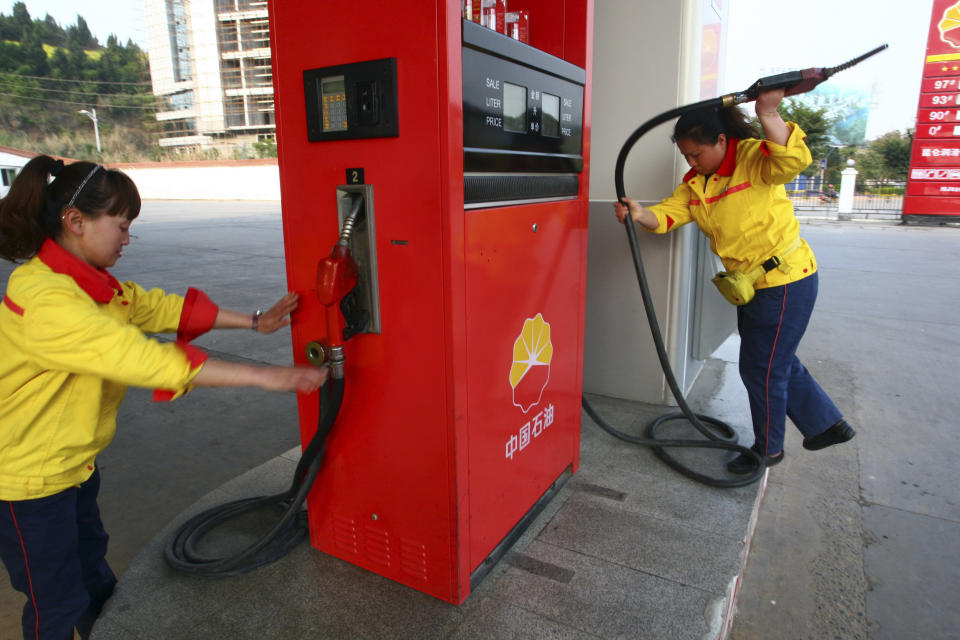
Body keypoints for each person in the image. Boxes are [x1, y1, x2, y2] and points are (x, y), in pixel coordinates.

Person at [0, 155, 327, 639]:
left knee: (93, 576)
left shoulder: (87, 283)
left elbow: (153, 307)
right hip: (27, 483)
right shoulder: (47, 300)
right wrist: (269, 378)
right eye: (122, 225)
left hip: (71, 468)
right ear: (75, 221)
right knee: (54, 602)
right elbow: (141, 358)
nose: (127, 239)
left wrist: (256, 321)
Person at [614, 88, 855, 475]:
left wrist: (769, 113)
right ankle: (827, 424)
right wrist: (641, 213)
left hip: (787, 280)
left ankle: (769, 450)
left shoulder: (753, 158)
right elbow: (669, 216)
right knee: (775, 360)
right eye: (686, 156)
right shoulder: (697, 183)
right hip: (752, 288)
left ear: (722, 140)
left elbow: (793, 161)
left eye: (697, 153)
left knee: (762, 368)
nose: (692, 162)